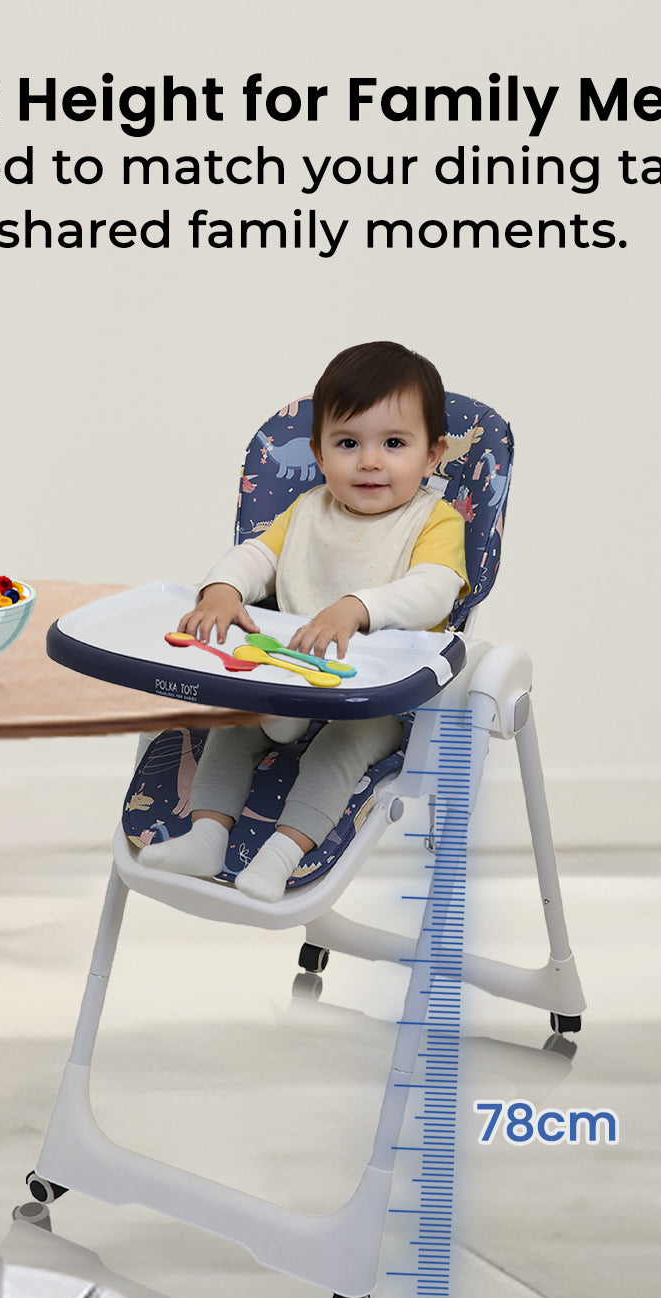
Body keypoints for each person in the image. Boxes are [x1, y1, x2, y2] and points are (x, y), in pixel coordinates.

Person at [139, 340, 470, 902]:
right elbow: (257, 557)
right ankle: (208, 835)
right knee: (232, 726)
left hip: (374, 697)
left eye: (394, 443)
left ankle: (281, 853)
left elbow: (434, 590)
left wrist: (357, 607)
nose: (369, 461)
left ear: (434, 454)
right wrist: (221, 589)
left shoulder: (434, 521)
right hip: (284, 680)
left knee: (339, 750)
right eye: (348, 443)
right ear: (318, 454)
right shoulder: (307, 511)